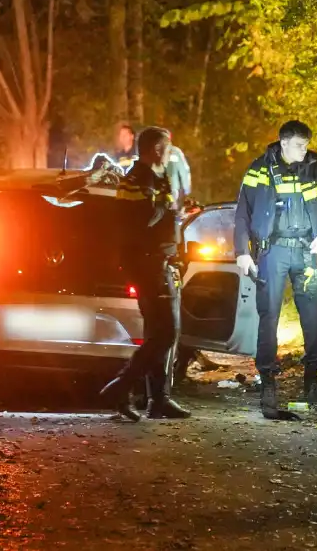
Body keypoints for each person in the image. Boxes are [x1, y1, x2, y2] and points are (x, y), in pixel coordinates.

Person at [235, 120, 317, 419]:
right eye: (299, 145)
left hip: (306, 250)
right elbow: (243, 213)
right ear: (283, 142)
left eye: (306, 145)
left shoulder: (316, 170)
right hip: (273, 250)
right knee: (269, 316)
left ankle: (312, 380)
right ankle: (268, 381)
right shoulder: (259, 169)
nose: (304, 150)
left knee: (311, 315)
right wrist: (242, 251)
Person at [99, 126, 192, 421]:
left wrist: (178, 212)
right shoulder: (138, 179)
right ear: (155, 149)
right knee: (166, 333)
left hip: (160, 261)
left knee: (158, 332)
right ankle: (121, 386)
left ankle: (158, 399)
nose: (170, 153)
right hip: (150, 264)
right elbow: (142, 221)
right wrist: (166, 205)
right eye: (167, 147)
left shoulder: (153, 177)